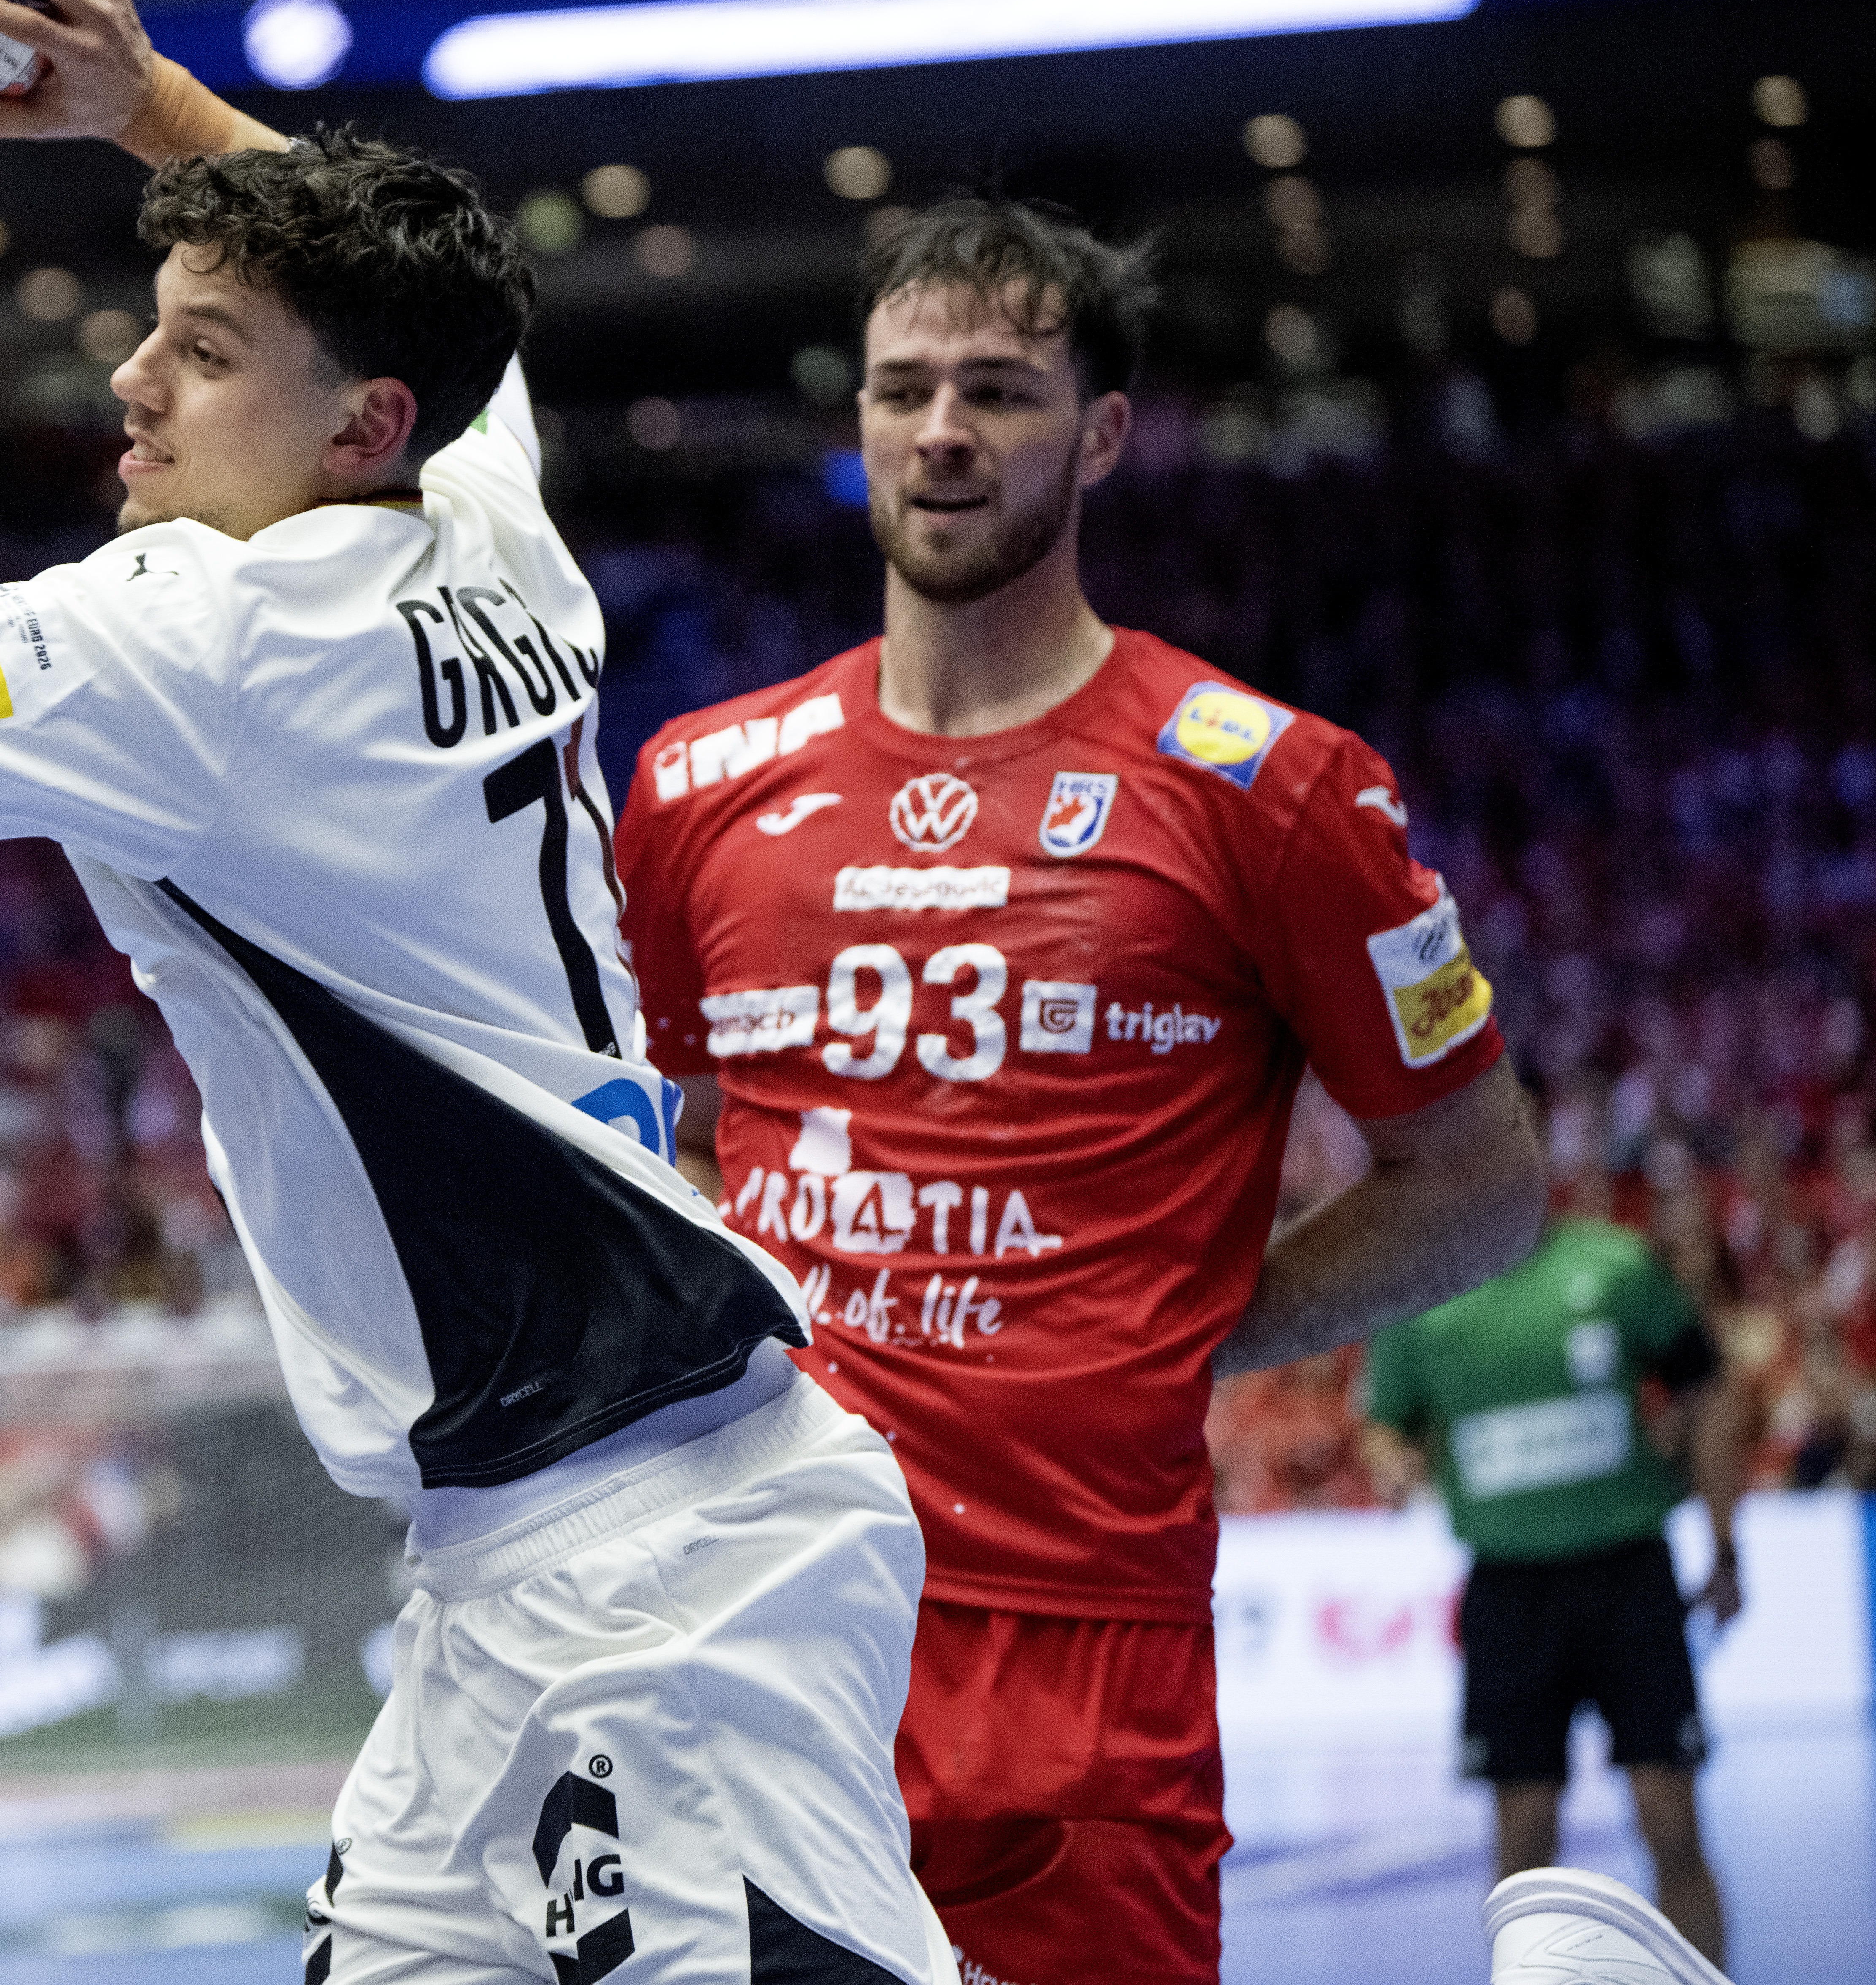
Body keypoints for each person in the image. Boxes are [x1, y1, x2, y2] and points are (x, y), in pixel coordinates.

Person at [0, 0, 960, 1985]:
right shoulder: (483, 507)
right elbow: (430, 300)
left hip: (658, 1565)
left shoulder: (194, 634)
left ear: (358, 421)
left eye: (201, 350)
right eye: (155, 324)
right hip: (538, 1543)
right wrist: (147, 103)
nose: (132, 374)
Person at [613, 198, 1549, 1985]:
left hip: (1072, 1650)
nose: (940, 428)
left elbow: (1480, 1182)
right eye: (901, 388)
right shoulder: (697, 782)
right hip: (749, 1613)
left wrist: (1177, 1321)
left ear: (1101, 431)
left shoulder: (1270, 787)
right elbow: (689, 1134)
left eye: (997, 388)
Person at [1365, 1202, 1745, 1973]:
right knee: (1524, 1831)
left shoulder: (1617, 1267)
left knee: (1670, 1815)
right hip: (1509, 1589)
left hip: (1628, 1573)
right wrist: (1390, 1458)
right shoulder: (1423, 1294)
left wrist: (1726, 1544)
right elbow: (1385, 1419)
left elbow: (1708, 1388)